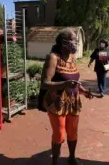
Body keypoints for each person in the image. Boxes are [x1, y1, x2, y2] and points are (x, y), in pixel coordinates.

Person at [40, 28, 93, 165]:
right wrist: (64, 84)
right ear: (63, 43)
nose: (75, 43)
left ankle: (71, 157)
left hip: (73, 102)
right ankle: (55, 162)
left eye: (76, 40)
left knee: (73, 132)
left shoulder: (72, 58)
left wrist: (83, 91)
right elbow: (45, 83)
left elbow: (74, 81)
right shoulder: (53, 57)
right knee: (59, 135)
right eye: (73, 40)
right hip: (57, 103)